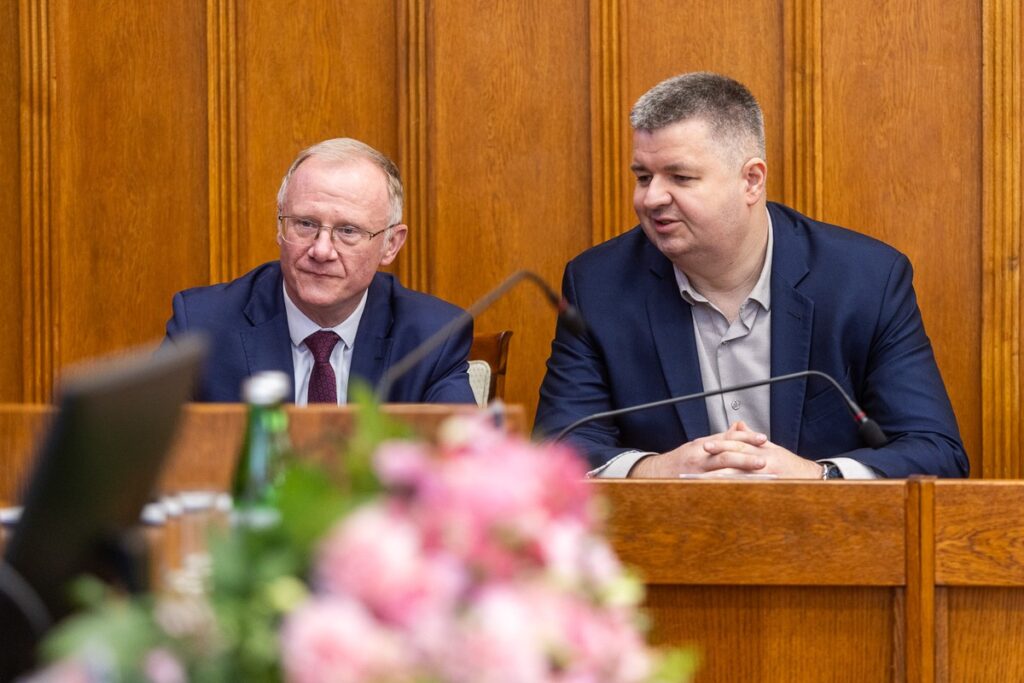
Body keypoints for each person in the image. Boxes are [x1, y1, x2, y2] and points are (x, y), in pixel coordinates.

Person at [534, 72, 968, 479]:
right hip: (668, 546)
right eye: (644, 176)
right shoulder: (599, 284)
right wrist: (658, 470)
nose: (651, 198)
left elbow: (935, 450)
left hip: (827, 542)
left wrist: (816, 476)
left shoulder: (865, 280)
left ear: (752, 181)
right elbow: (558, 445)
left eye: (680, 177)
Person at [164, 138, 475, 404]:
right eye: (306, 224)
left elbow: (465, 465)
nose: (321, 250)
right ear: (279, 227)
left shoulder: (432, 338)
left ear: (391, 244)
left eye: (348, 230)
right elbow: (145, 454)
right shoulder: (202, 326)